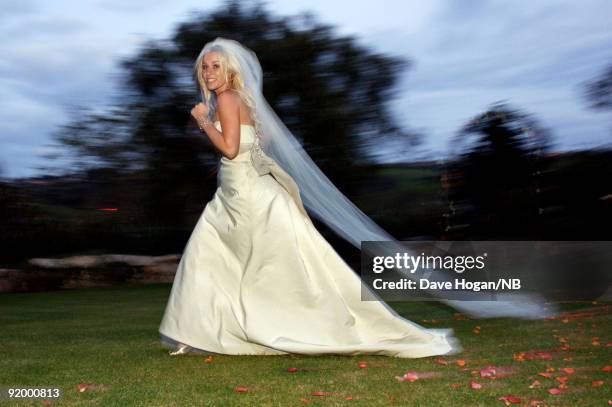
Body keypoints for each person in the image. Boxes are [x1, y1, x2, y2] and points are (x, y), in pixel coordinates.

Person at [158, 38, 547, 358]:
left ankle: (206, 331)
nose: (209, 73)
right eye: (205, 67)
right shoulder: (241, 99)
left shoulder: (225, 99)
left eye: (215, 66)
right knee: (236, 261)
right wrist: (244, 156)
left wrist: (204, 123)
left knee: (215, 256)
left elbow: (228, 148)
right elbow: (260, 142)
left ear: (230, 70)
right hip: (243, 193)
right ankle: (205, 331)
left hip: (248, 198)